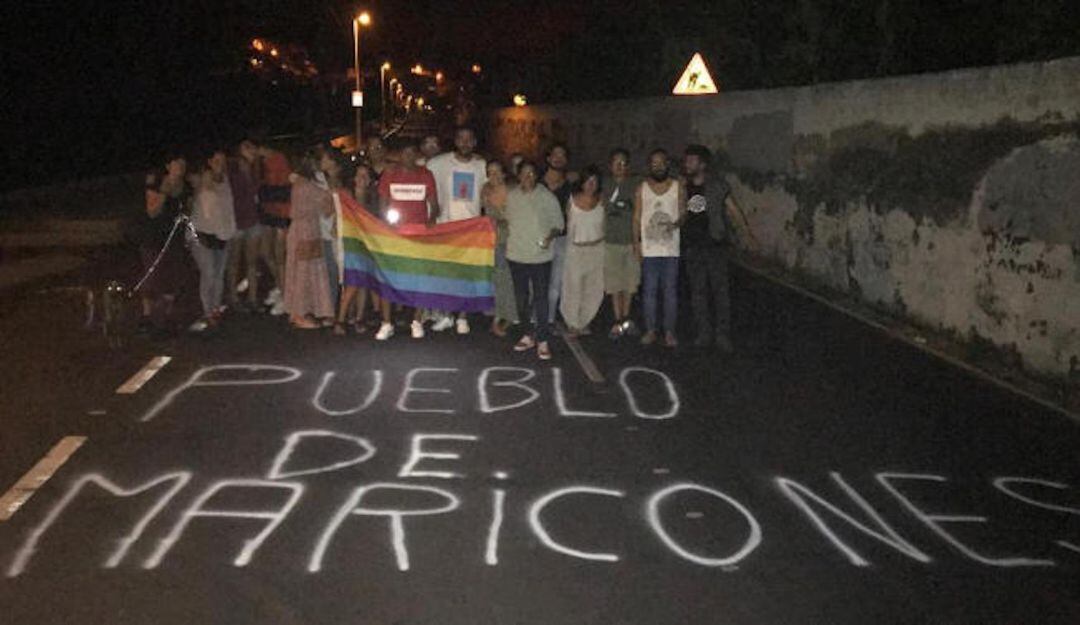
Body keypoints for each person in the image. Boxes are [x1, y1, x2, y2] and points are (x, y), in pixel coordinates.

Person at [682, 144, 758, 351]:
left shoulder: (717, 186)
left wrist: (747, 234)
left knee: (720, 292)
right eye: (686, 160)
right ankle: (704, 333)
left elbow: (734, 210)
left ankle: (722, 335)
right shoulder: (682, 186)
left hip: (715, 245)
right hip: (693, 247)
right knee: (698, 292)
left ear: (702, 164)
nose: (687, 164)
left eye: (691, 160)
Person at [374, 141, 440, 340]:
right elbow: (382, 205)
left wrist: (431, 219)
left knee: (420, 279)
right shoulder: (389, 174)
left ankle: (417, 321)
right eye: (405, 153)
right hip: (394, 234)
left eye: (412, 153)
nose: (409, 157)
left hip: (418, 235)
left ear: (417, 155)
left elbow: (435, 205)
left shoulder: (426, 175)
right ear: (399, 155)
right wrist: (387, 224)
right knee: (388, 277)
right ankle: (386, 323)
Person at [426, 126, 487, 334]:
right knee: (445, 275)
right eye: (461, 138)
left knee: (466, 276)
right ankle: (445, 314)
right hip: (445, 227)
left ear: (475, 142)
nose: (465, 143)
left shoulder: (482, 166)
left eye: (469, 139)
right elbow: (425, 183)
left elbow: (493, 190)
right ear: (455, 141)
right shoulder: (438, 163)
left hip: (471, 229)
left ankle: (462, 316)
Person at [504, 160, 564, 360]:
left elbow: (559, 225)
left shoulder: (547, 197)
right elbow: (507, 220)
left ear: (537, 176)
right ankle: (527, 334)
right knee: (521, 299)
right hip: (516, 255)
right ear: (518, 175)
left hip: (540, 257)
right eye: (524, 173)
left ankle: (543, 339)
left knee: (540, 298)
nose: (528, 177)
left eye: (532, 173)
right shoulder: (511, 197)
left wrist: (549, 237)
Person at [633, 148, 686, 348]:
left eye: (662, 163)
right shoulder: (642, 188)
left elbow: (684, 212)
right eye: (654, 164)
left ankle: (669, 331)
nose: (658, 166)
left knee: (670, 292)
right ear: (650, 166)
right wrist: (636, 243)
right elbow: (636, 217)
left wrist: (676, 223)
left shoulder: (678, 186)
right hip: (649, 249)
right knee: (649, 291)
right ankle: (651, 330)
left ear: (668, 164)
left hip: (671, 249)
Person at [138, 154, 191, 334]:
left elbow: (187, 210)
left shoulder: (186, 187)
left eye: (183, 164)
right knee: (152, 278)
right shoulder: (156, 182)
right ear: (168, 166)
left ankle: (166, 317)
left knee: (172, 279)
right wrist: (165, 191)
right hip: (153, 238)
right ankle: (146, 316)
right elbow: (152, 211)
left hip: (174, 239)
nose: (180, 168)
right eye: (177, 164)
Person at [283, 152, 336, 329]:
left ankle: (300, 310)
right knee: (304, 272)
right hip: (305, 231)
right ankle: (299, 313)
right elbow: (327, 205)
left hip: (303, 229)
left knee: (302, 271)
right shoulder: (307, 186)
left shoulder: (300, 183)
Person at [187, 150, 237, 332]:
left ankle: (215, 308)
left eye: (222, 161)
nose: (220, 164)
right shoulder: (204, 180)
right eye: (216, 161)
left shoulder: (226, 182)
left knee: (218, 273)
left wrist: (231, 231)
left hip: (222, 233)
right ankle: (208, 311)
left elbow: (229, 209)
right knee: (208, 272)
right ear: (209, 162)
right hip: (201, 234)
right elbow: (204, 189)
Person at [560, 165, 606, 336]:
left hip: (597, 248)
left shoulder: (602, 200)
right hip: (576, 249)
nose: (591, 184)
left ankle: (584, 321)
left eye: (594, 181)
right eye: (588, 181)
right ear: (582, 182)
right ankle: (572, 322)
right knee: (573, 286)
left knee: (594, 288)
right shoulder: (571, 200)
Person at [334, 162, 378, 335]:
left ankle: (359, 318)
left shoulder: (373, 198)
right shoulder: (346, 194)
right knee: (353, 282)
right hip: (350, 244)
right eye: (359, 175)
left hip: (367, 244)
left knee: (364, 283)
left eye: (366, 176)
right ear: (353, 178)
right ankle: (341, 319)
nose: (362, 179)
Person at [602, 148, 640, 338]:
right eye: (616, 163)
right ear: (610, 165)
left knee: (630, 283)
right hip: (610, 242)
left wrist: (638, 242)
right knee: (614, 284)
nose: (620, 166)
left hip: (630, 242)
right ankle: (617, 320)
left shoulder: (635, 185)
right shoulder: (604, 185)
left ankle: (627, 318)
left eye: (624, 163)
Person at [480, 160, 517, 337]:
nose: (493, 176)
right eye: (490, 172)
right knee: (495, 278)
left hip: (505, 239)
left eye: (497, 172)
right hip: (490, 240)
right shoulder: (485, 189)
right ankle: (499, 313)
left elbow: (515, 218)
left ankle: (504, 317)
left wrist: (498, 220)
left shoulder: (510, 191)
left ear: (503, 174)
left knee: (504, 279)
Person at [225, 140, 262, 312]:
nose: (252, 151)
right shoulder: (233, 169)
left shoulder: (255, 168)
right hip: (237, 221)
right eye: (247, 147)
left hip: (252, 219)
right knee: (235, 261)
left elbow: (255, 192)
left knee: (252, 262)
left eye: (252, 147)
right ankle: (233, 297)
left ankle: (253, 298)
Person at [541, 143, 575, 326]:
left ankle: (549, 318)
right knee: (537, 281)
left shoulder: (570, 186)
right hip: (539, 238)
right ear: (548, 158)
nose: (558, 158)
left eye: (562, 155)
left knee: (556, 283)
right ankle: (535, 316)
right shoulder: (537, 182)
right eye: (555, 154)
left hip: (562, 239)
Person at [255, 143, 292, 316]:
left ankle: (287, 297)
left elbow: (282, 188)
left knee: (280, 256)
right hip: (267, 210)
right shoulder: (260, 162)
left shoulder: (278, 159)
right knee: (265, 251)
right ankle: (280, 285)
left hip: (281, 211)